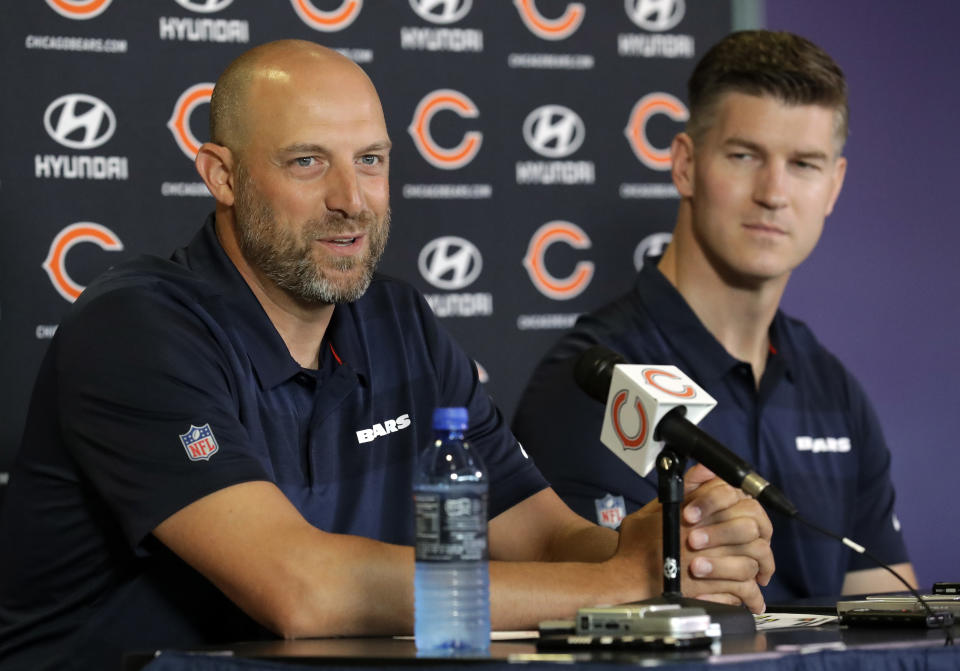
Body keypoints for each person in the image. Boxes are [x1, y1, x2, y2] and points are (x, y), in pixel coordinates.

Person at [0, 40, 774, 670]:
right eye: (308, 162)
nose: (353, 199)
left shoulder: (397, 317)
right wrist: (614, 582)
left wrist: (672, 550)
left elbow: (541, 535)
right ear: (222, 175)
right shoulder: (136, 327)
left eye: (370, 160)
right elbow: (301, 590)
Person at [512, 30, 916, 604]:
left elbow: (891, 617)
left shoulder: (834, 390)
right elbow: (605, 618)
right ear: (685, 165)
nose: (774, 193)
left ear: (834, 186)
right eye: (745, 156)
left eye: (804, 163)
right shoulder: (596, 384)